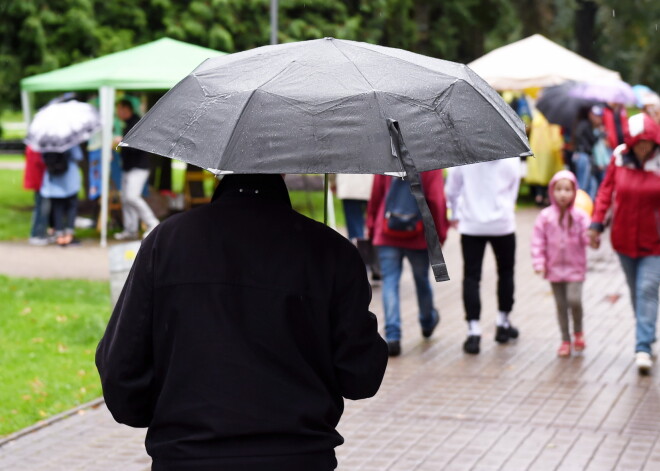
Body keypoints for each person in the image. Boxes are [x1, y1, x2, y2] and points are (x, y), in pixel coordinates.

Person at [96, 174, 388, 471]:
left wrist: (169, 418)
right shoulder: (332, 251)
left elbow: (122, 372)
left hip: (188, 456)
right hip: (298, 456)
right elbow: (361, 377)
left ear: (217, 171)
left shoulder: (165, 242)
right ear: (285, 169)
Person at [588, 113, 660, 375]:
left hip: (655, 242)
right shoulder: (619, 157)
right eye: (639, 143)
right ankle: (648, 333)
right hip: (623, 240)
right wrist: (596, 223)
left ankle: (642, 347)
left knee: (646, 288)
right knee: (637, 291)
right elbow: (606, 191)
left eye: (648, 142)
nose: (644, 148)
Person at [366, 170, 448, 356]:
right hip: (418, 233)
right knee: (422, 280)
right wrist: (439, 234)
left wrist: (372, 227)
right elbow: (436, 200)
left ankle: (393, 337)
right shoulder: (430, 162)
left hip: (387, 230)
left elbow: (376, 196)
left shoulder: (386, 156)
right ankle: (427, 322)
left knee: (389, 283)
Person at [445, 158, 521, 355]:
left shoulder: (463, 152)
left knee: (471, 277)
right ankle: (502, 323)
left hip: (471, 224)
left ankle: (474, 331)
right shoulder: (510, 154)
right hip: (503, 224)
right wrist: (505, 208)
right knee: (506, 272)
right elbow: (514, 187)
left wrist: (454, 212)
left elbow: (452, 188)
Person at [531, 170, 591, 357]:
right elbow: (538, 241)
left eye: (567, 190)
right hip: (554, 269)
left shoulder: (580, 217)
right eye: (558, 189)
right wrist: (539, 262)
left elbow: (588, 238)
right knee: (561, 305)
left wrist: (593, 238)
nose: (563, 194)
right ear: (552, 191)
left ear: (574, 192)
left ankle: (578, 332)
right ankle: (565, 340)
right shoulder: (545, 216)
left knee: (574, 300)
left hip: (575, 268)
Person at [113, 99, 159, 240]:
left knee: (132, 197)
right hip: (129, 167)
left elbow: (137, 147)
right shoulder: (128, 124)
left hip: (139, 167)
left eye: (119, 109)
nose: (117, 113)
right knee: (126, 199)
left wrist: (122, 141)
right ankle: (130, 229)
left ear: (126, 109)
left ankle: (153, 223)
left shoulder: (137, 123)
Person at [39, 146, 83, 247]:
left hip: (54, 180)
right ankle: (68, 235)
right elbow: (78, 156)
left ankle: (59, 235)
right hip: (70, 179)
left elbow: (43, 159)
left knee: (57, 208)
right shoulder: (70, 141)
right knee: (71, 207)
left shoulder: (47, 142)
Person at [572, 105, 605, 200]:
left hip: (582, 156)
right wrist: (600, 133)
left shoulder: (581, 124)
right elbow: (592, 140)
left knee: (592, 184)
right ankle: (579, 206)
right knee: (583, 185)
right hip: (583, 156)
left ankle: (587, 206)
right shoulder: (586, 125)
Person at [23, 145, 51, 245]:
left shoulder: (33, 146)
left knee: (41, 207)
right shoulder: (36, 148)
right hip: (39, 181)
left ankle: (40, 233)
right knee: (41, 208)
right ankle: (37, 234)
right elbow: (40, 163)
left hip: (37, 181)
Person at [335, 173, 374, 240]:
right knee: (373, 224)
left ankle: (358, 247)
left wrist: (332, 181)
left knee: (355, 232)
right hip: (371, 185)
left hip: (348, 187)